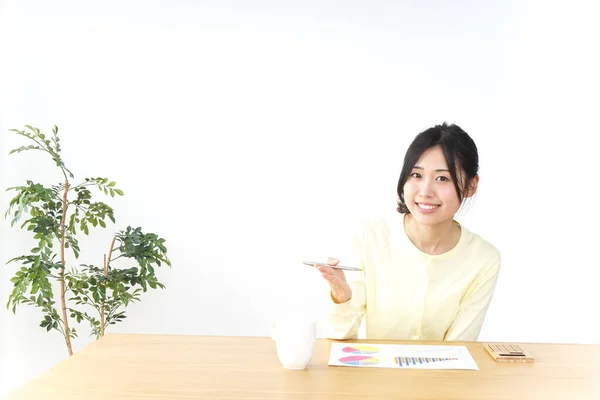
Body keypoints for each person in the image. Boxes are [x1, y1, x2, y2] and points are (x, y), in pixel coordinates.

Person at [317, 122, 501, 341]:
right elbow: (340, 339)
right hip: (376, 373)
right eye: (416, 175)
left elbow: (460, 349)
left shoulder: (483, 258)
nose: (425, 191)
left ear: (471, 185)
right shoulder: (370, 237)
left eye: (442, 178)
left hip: (442, 375)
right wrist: (342, 297)